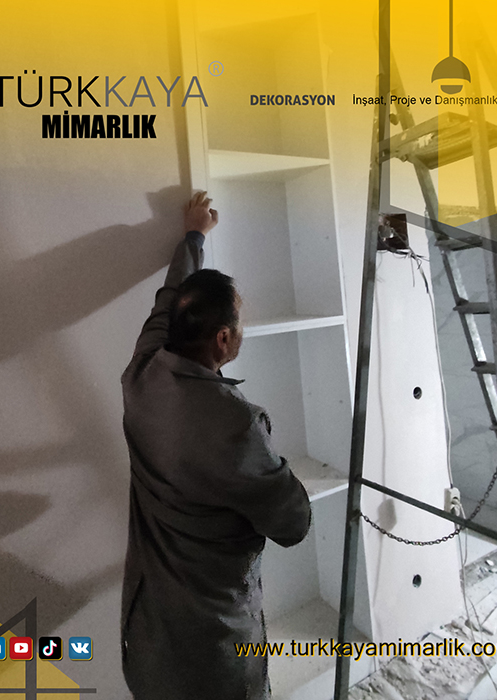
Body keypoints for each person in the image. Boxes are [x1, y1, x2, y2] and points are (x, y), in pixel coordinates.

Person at [120, 191, 312, 700]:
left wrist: (194, 238)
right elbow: (292, 524)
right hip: (215, 653)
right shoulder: (236, 425)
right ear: (223, 340)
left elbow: (168, 300)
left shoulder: (141, 372)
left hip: (148, 638)